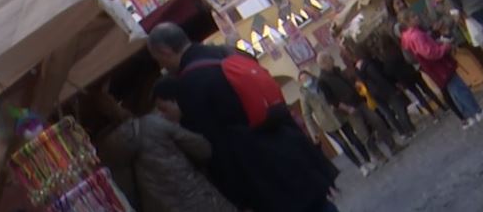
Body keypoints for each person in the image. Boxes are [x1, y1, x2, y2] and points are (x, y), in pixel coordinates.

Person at [147, 23, 339, 212]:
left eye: (157, 59)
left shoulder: (190, 85)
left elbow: (216, 151)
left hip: (267, 180)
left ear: (164, 50)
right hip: (295, 155)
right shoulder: (228, 52)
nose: (161, 66)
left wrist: (240, 200)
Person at [100, 80, 237, 212]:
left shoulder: (107, 152)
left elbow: (128, 196)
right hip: (197, 199)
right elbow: (204, 149)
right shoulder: (153, 124)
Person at [397, 10, 483, 130]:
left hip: (434, 67)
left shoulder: (409, 36)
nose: (417, 17)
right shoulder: (416, 35)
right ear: (407, 21)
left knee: (454, 92)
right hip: (439, 64)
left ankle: (469, 115)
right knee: (459, 88)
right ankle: (477, 111)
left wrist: (437, 43)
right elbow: (429, 52)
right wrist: (444, 47)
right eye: (413, 16)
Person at [315, 53, 400, 161]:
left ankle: (393, 146)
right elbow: (332, 101)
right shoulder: (322, 81)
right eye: (330, 58)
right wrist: (347, 108)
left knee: (378, 121)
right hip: (349, 110)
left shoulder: (337, 70)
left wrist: (355, 86)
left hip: (359, 102)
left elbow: (347, 82)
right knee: (364, 134)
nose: (332, 60)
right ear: (324, 62)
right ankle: (378, 156)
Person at [297, 71, 376, 178]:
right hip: (326, 123)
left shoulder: (321, 83)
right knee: (343, 145)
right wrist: (313, 132)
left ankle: (368, 160)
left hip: (339, 115)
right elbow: (307, 115)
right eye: (303, 80)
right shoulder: (304, 96)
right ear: (301, 82)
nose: (306, 80)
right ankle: (361, 166)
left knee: (354, 138)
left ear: (311, 76)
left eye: (306, 77)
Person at [373, 8, 448, 117]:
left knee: (418, 95)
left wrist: (397, 80)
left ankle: (432, 114)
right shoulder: (398, 49)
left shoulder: (386, 58)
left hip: (404, 79)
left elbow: (389, 71)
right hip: (412, 71)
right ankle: (442, 106)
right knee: (426, 89)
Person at [350, 45, 416, 139]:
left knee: (388, 113)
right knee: (399, 108)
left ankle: (402, 132)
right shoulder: (371, 62)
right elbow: (380, 76)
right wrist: (392, 86)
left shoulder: (357, 68)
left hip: (373, 92)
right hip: (385, 88)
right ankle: (408, 128)